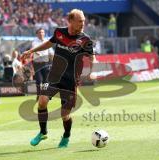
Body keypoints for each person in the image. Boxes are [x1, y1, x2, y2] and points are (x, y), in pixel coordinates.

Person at [22, 9, 95, 148]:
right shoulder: (59, 32)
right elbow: (49, 43)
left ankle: (66, 136)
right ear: (71, 21)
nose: (83, 23)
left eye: (84, 20)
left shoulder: (85, 40)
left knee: (65, 114)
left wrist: (92, 70)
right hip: (54, 75)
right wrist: (31, 51)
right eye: (80, 21)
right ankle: (43, 132)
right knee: (42, 101)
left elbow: (92, 57)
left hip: (71, 80)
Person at [32, 28, 54, 100]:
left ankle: (45, 95)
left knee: (46, 81)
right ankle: (39, 94)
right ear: (37, 34)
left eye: (42, 32)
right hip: (37, 64)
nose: (41, 34)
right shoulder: (35, 41)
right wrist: (38, 53)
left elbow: (51, 53)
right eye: (39, 32)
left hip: (46, 63)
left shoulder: (47, 41)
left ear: (44, 33)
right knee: (39, 80)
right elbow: (35, 49)